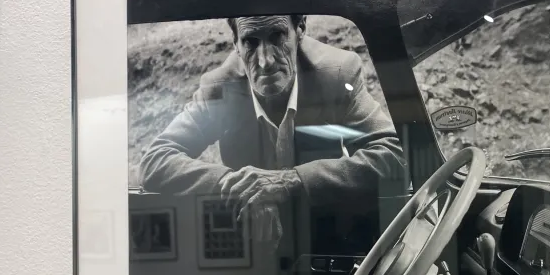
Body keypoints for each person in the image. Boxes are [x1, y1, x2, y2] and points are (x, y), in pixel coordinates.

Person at [139, 15, 405, 238]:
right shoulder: (221, 89)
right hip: (251, 241)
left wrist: (291, 180)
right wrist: (235, 184)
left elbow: (394, 154)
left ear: (300, 29)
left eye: (277, 37)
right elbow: (156, 159)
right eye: (250, 43)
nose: (265, 61)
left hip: (327, 232)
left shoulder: (337, 73)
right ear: (235, 44)